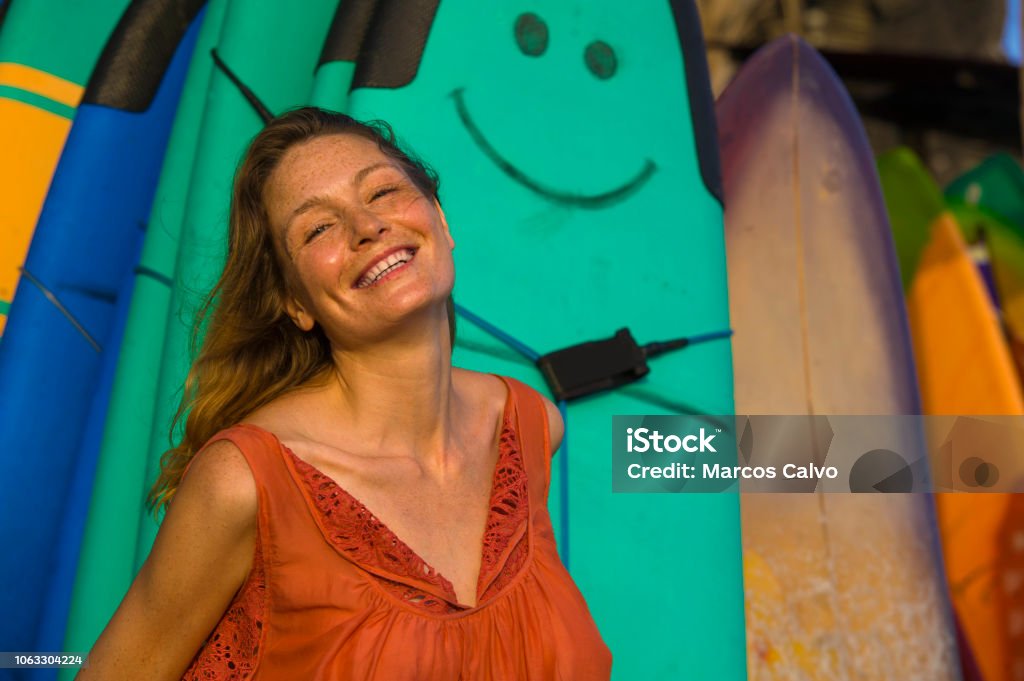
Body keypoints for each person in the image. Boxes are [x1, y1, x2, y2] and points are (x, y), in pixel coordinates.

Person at [78, 107, 613, 680]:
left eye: (382, 191)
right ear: (296, 303)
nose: (367, 227)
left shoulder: (529, 425)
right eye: (318, 228)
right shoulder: (245, 482)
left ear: (440, 220)